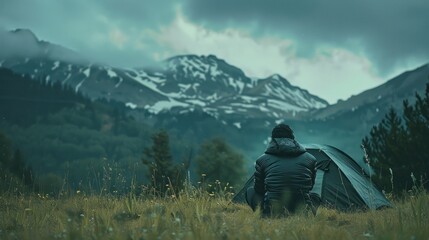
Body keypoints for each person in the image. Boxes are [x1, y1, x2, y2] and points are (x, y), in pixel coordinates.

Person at [245, 123, 318, 217]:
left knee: (250, 192)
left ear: (273, 139)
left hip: (273, 211)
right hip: (301, 209)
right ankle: (306, 214)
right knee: (315, 196)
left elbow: (259, 189)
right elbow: (310, 186)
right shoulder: (311, 159)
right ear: (293, 138)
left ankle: (263, 214)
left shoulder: (262, 160)